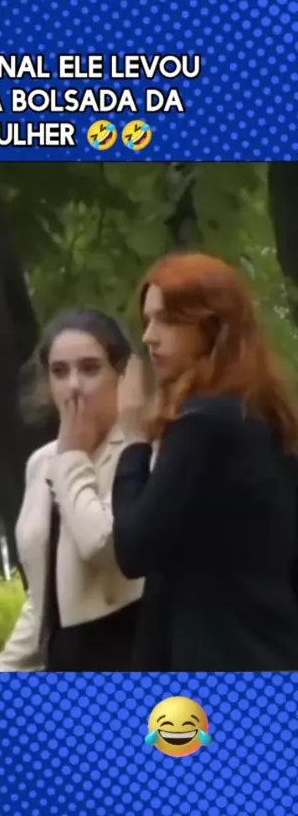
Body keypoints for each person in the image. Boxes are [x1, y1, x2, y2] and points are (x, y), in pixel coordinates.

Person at [112, 251, 298, 672]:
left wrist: (134, 443)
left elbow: (134, 549)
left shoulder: (201, 424)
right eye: (147, 321)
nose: (149, 337)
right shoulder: (267, 417)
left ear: (211, 325)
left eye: (167, 320)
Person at [0, 308, 144, 672]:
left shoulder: (139, 449)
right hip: (62, 660)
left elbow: (106, 548)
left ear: (122, 375)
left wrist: (73, 457)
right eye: (60, 371)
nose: (73, 385)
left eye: (90, 369)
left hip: (127, 652)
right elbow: (42, 599)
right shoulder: (41, 462)